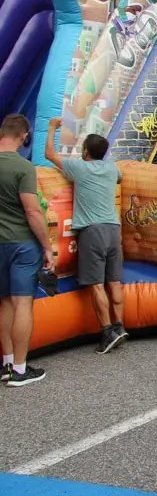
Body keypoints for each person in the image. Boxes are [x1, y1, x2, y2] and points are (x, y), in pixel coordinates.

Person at [44, 118, 128, 354]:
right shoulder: (111, 169)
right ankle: (120, 326)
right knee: (114, 282)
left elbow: (49, 155)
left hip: (92, 231)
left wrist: (51, 128)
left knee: (97, 285)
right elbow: (120, 176)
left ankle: (107, 331)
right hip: (114, 229)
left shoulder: (79, 168)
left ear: (85, 152)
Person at [0, 114, 54, 386]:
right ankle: (20, 370)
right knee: (22, 303)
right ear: (24, 137)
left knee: (5, 303)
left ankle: (7, 364)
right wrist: (47, 247)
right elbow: (33, 212)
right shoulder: (23, 167)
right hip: (22, 244)